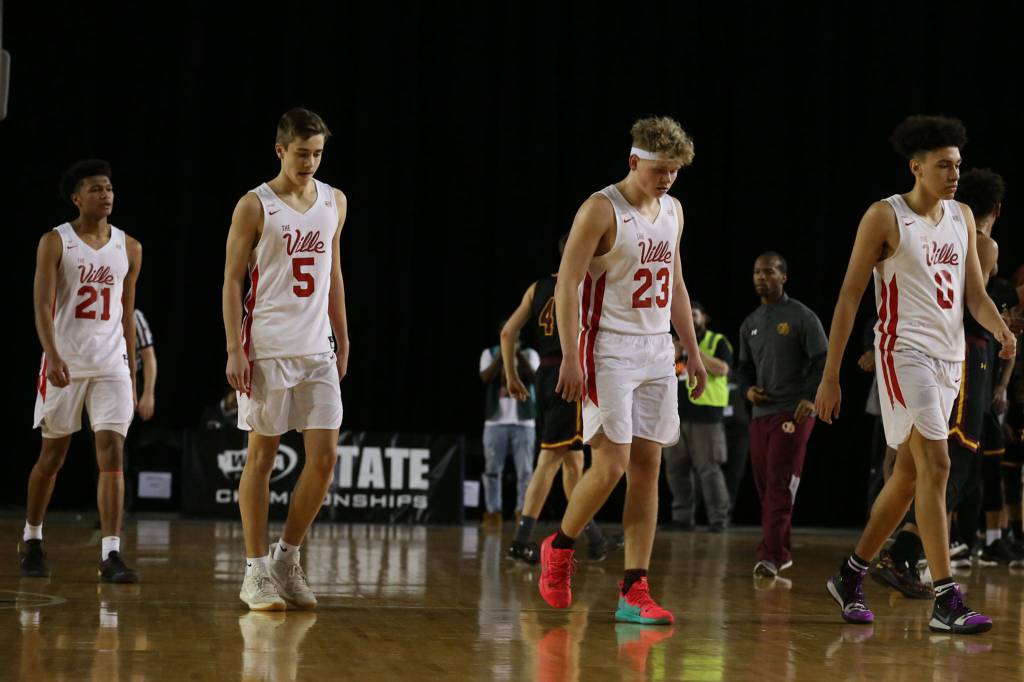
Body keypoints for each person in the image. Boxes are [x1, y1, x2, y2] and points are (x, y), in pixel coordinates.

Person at [816, 115, 1014, 634]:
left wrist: (1000, 328)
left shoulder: (963, 216)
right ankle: (947, 599)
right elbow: (850, 296)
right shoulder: (885, 216)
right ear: (916, 167)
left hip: (951, 358)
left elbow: (974, 294)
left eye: (957, 165)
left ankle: (851, 574)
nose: (954, 173)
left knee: (907, 476)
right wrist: (831, 375)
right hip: (903, 353)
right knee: (938, 463)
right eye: (944, 165)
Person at [536, 115, 706, 626]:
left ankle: (634, 588)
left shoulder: (673, 210)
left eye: (675, 171)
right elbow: (566, 284)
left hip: (656, 349)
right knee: (610, 464)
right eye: (660, 170)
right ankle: (559, 547)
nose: (668, 179)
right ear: (634, 161)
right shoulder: (600, 208)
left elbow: (675, 281)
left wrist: (690, 349)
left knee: (648, 471)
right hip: (606, 346)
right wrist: (569, 354)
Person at [223, 108, 349, 611]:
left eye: (318, 154)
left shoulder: (335, 201)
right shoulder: (255, 206)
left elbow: (334, 274)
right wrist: (235, 347)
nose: (310, 163)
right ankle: (254, 570)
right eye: (302, 154)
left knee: (324, 459)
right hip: (268, 349)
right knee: (263, 458)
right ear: (280, 150)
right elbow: (232, 280)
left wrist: (343, 336)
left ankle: (285, 558)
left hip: (317, 348)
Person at [20, 158, 142, 583]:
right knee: (52, 456)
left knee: (111, 454)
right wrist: (51, 354)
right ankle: (32, 537)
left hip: (111, 364)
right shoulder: (56, 241)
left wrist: (131, 367)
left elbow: (128, 314)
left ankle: (111, 553)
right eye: (95, 189)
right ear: (77, 198)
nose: (105, 194)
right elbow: (41, 304)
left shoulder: (130, 246)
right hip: (66, 360)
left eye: (109, 188)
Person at [500, 235, 622, 563]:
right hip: (571, 375)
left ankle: (595, 539)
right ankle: (521, 541)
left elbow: (508, 332)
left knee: (573, 461)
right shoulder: (586, 285)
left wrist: (512, 376)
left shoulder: (536, 287)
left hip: (546, 374)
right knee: (550, 459)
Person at [737, 252, 828, 578]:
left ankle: (770, 556)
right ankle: (781, 550)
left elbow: (823, 360)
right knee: (766, 486)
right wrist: (747, 390)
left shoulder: (802, 317)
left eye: (769, 272)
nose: (762, 278)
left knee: (778, 485)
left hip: (793, 412)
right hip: (761, 414)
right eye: (757, 272)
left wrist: (810, 397)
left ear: (783, 277)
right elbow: (743, 370)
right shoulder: (750, 324)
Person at [663, 301, 733, 531]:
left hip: (706, 416)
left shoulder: (716, 341)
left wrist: (693, 350)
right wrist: (676, 352)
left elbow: (722, 369)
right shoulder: (671, 343)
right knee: (675, 468)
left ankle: (718, 519)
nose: (691, 318)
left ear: (704, 318)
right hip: (675, 415)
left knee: (708, 468)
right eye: (687, 314)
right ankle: (682, 518)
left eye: (695, 314)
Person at [478, 323, 539, 529]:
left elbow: (534, 377)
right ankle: (493, 512)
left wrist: (518, 354)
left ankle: (523, 512)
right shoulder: (489, 353)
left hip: (524, 422)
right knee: (492, 470)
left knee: (525, 471)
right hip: (496, 422)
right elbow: (486, 377)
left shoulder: (530, 354)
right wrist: (503, 354)